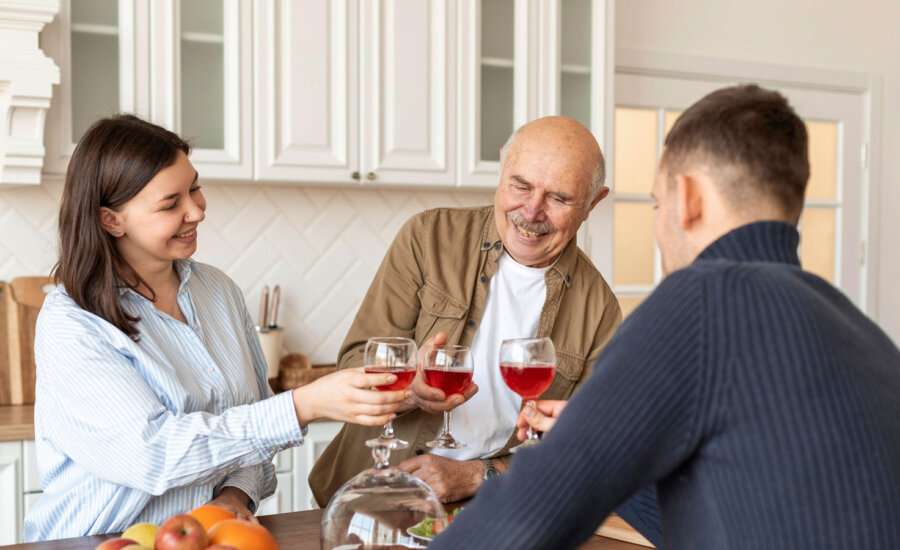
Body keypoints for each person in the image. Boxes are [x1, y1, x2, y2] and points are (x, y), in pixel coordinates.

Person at [428, 84, 900, 550]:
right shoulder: (864, 334)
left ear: (688, 197)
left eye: (657, 203)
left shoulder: (701, 300)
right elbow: (733, 503)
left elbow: (524, 519)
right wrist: (611, 430)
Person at [24, 115, 407, 541]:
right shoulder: (72, 321)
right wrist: (300, 406)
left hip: (211, 537)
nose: (197, 210)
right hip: (95, 542)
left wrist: (234, 497)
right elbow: (153, 455)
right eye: (171, 204)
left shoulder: (218, 292)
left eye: (195, 188)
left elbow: (252, 436)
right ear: (112, 220)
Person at [309, 116, 623, 506]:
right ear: (502, 166)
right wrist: (410, 392)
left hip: (495, 508)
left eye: (559, 198)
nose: (532, 210)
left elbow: (590, 446)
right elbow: (353, 368)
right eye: (520, 185)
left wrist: (482, 475)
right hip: (371, 502)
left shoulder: (601, 312)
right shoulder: (428, 238)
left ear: (593, 202)